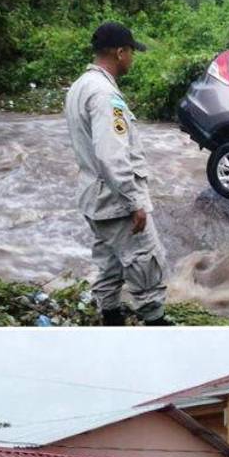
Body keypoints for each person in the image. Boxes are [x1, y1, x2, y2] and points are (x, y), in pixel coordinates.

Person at [63, 21, 171, 326]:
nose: (132, 59)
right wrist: (134, 201)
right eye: (132, 53)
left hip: (93, 198)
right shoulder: (104, 96)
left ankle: (110, 316)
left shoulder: (79, 86)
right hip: (115, 201)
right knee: (145, 261)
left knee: (109, 262)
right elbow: (112, 155)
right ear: (120, 53)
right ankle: (156, 322)